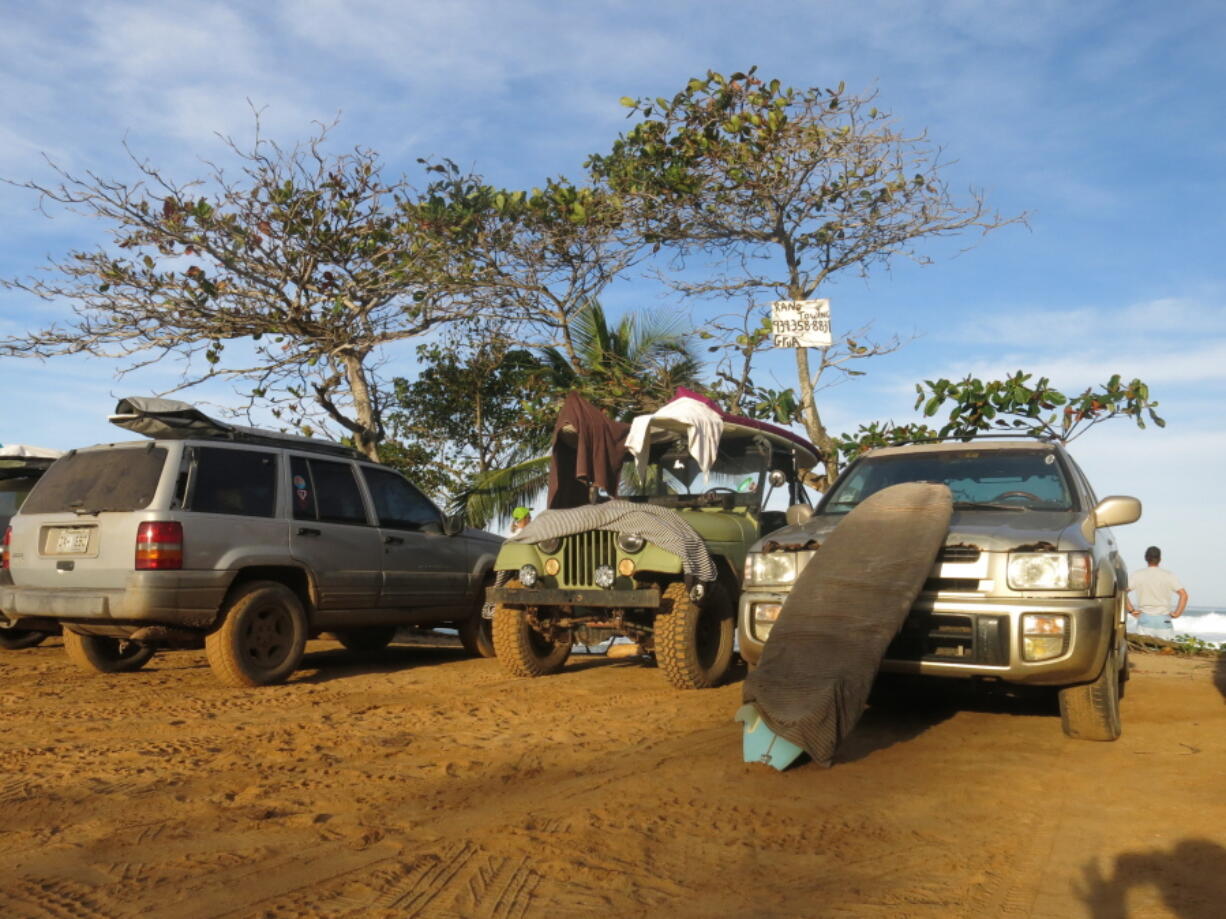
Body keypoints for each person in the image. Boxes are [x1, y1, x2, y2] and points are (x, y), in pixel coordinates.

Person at [1126, 546, 1188, 640]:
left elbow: (1121, 593)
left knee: (1145, 650)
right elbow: (1184, 595)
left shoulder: (1137, 574)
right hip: (1164, 619)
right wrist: (1177, 613)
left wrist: (1131, 610)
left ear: (1146, 558)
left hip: (1145, 618)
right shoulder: (1168, 575)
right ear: (1160, 559)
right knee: (1166, 650)